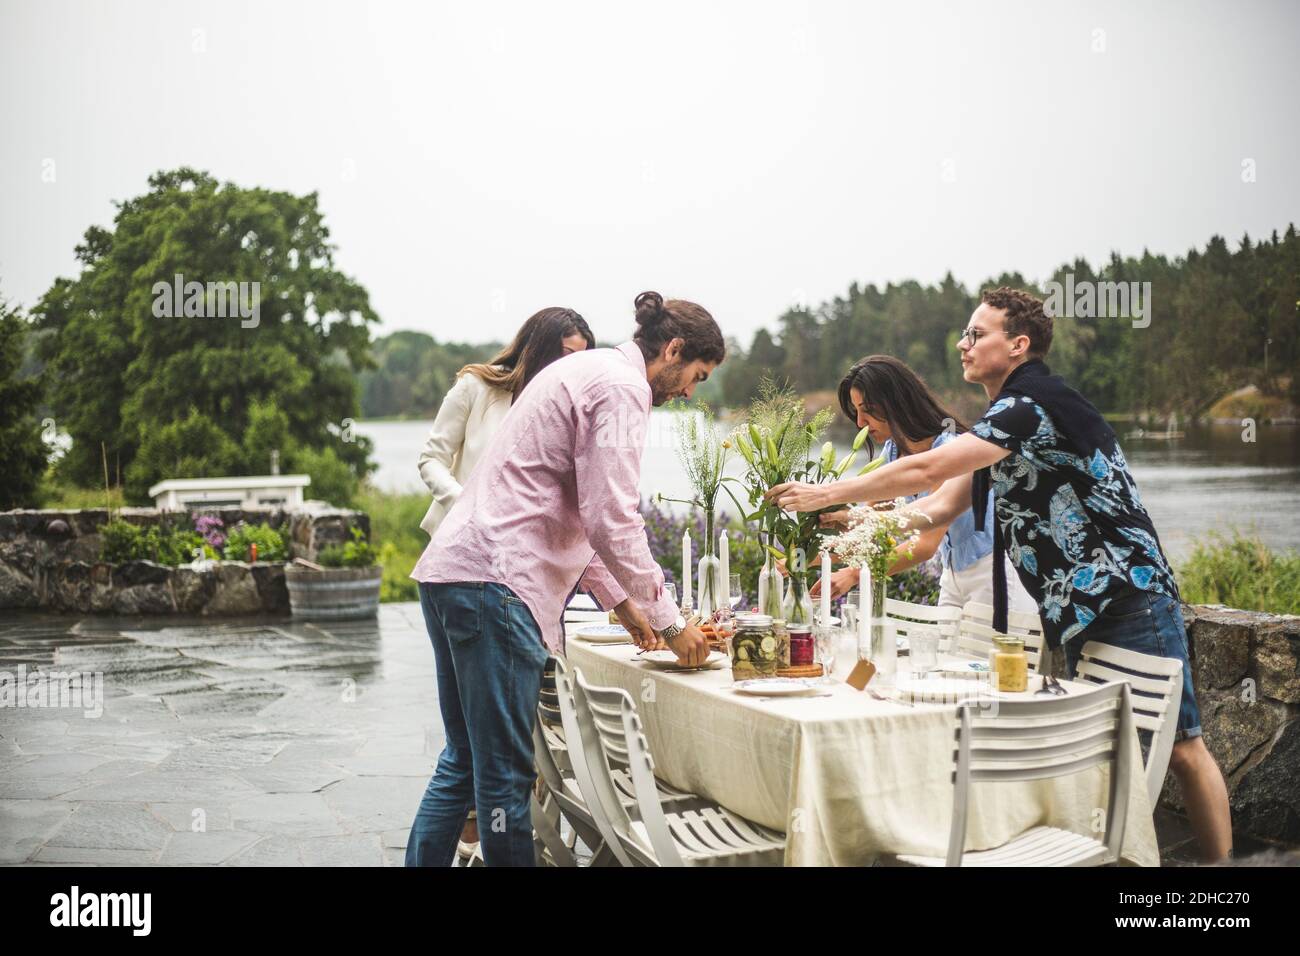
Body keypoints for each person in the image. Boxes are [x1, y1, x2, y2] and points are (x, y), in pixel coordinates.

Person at [768, 286, 1232, 862]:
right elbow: (936, 506)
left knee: (1184, 745)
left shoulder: (1031, 402)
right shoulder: (1000, 425)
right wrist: (846, 518)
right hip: (1080, 603)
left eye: (976, 334)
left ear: (1019, 344)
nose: (963, 344)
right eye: (964, 334)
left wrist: (826, 492)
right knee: (1112, 747)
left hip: (1127, 591)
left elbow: (933, 465)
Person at [405, 290, 724, 867]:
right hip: (496, 585)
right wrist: (670, 621)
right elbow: (611, 515)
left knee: (464, 761)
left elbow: (580, 508)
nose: (689, 392)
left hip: (452, 570)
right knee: (504, 779)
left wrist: (624, 604)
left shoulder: (587, 367)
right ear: (673, 350)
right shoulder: (624, 388)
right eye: (695, 375)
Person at [415, 306, 594, 861]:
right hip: (475, 567)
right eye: (567, 354)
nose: (574, 368)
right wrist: (464, 499)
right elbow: (430, 457)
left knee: (466, 756)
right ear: (538, 346)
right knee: (490, 764)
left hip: (489, 576)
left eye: (583, 359)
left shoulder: (559, 411)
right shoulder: (476, 387)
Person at [811, 354, 1037, 617]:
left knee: (981, 658)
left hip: (994, 571)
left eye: (867, 409)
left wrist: (853, 574)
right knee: (944, 656)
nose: (860, 422)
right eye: (856, 410)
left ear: (894, 402)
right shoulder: (894, 452)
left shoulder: (949, 450)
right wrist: (800, 557)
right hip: (952, 575)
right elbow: (869, 529)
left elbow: (925, 545)